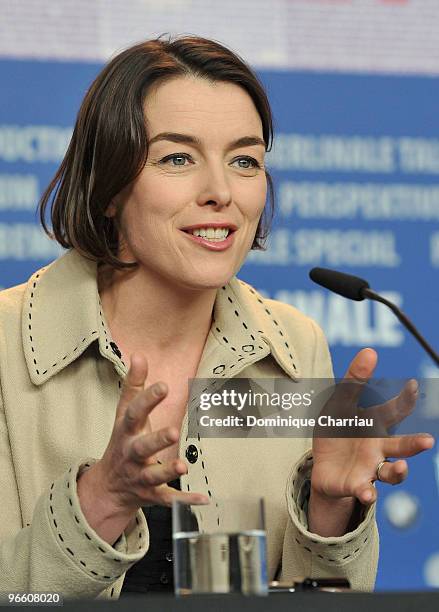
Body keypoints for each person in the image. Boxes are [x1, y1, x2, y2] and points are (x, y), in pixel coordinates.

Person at [0, 35, 434, 600]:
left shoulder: (294, 346)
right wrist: (99, 503)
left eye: (244, 160)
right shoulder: (8, 344)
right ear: (109, 187)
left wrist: (329, 510)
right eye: (178, 158)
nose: (221, 192)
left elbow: (320, 591)